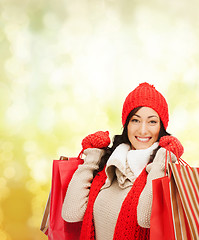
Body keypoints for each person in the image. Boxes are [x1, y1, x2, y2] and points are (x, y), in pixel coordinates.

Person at [62, 82, 184, 240]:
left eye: (152, 121)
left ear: (161, 127)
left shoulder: (163, 170)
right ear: (126, 124)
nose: (143, 130)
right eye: (135, 120)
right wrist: (93, 156)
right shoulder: (109, 166)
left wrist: (162, 160)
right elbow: (71, 213)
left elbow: (145, 219)